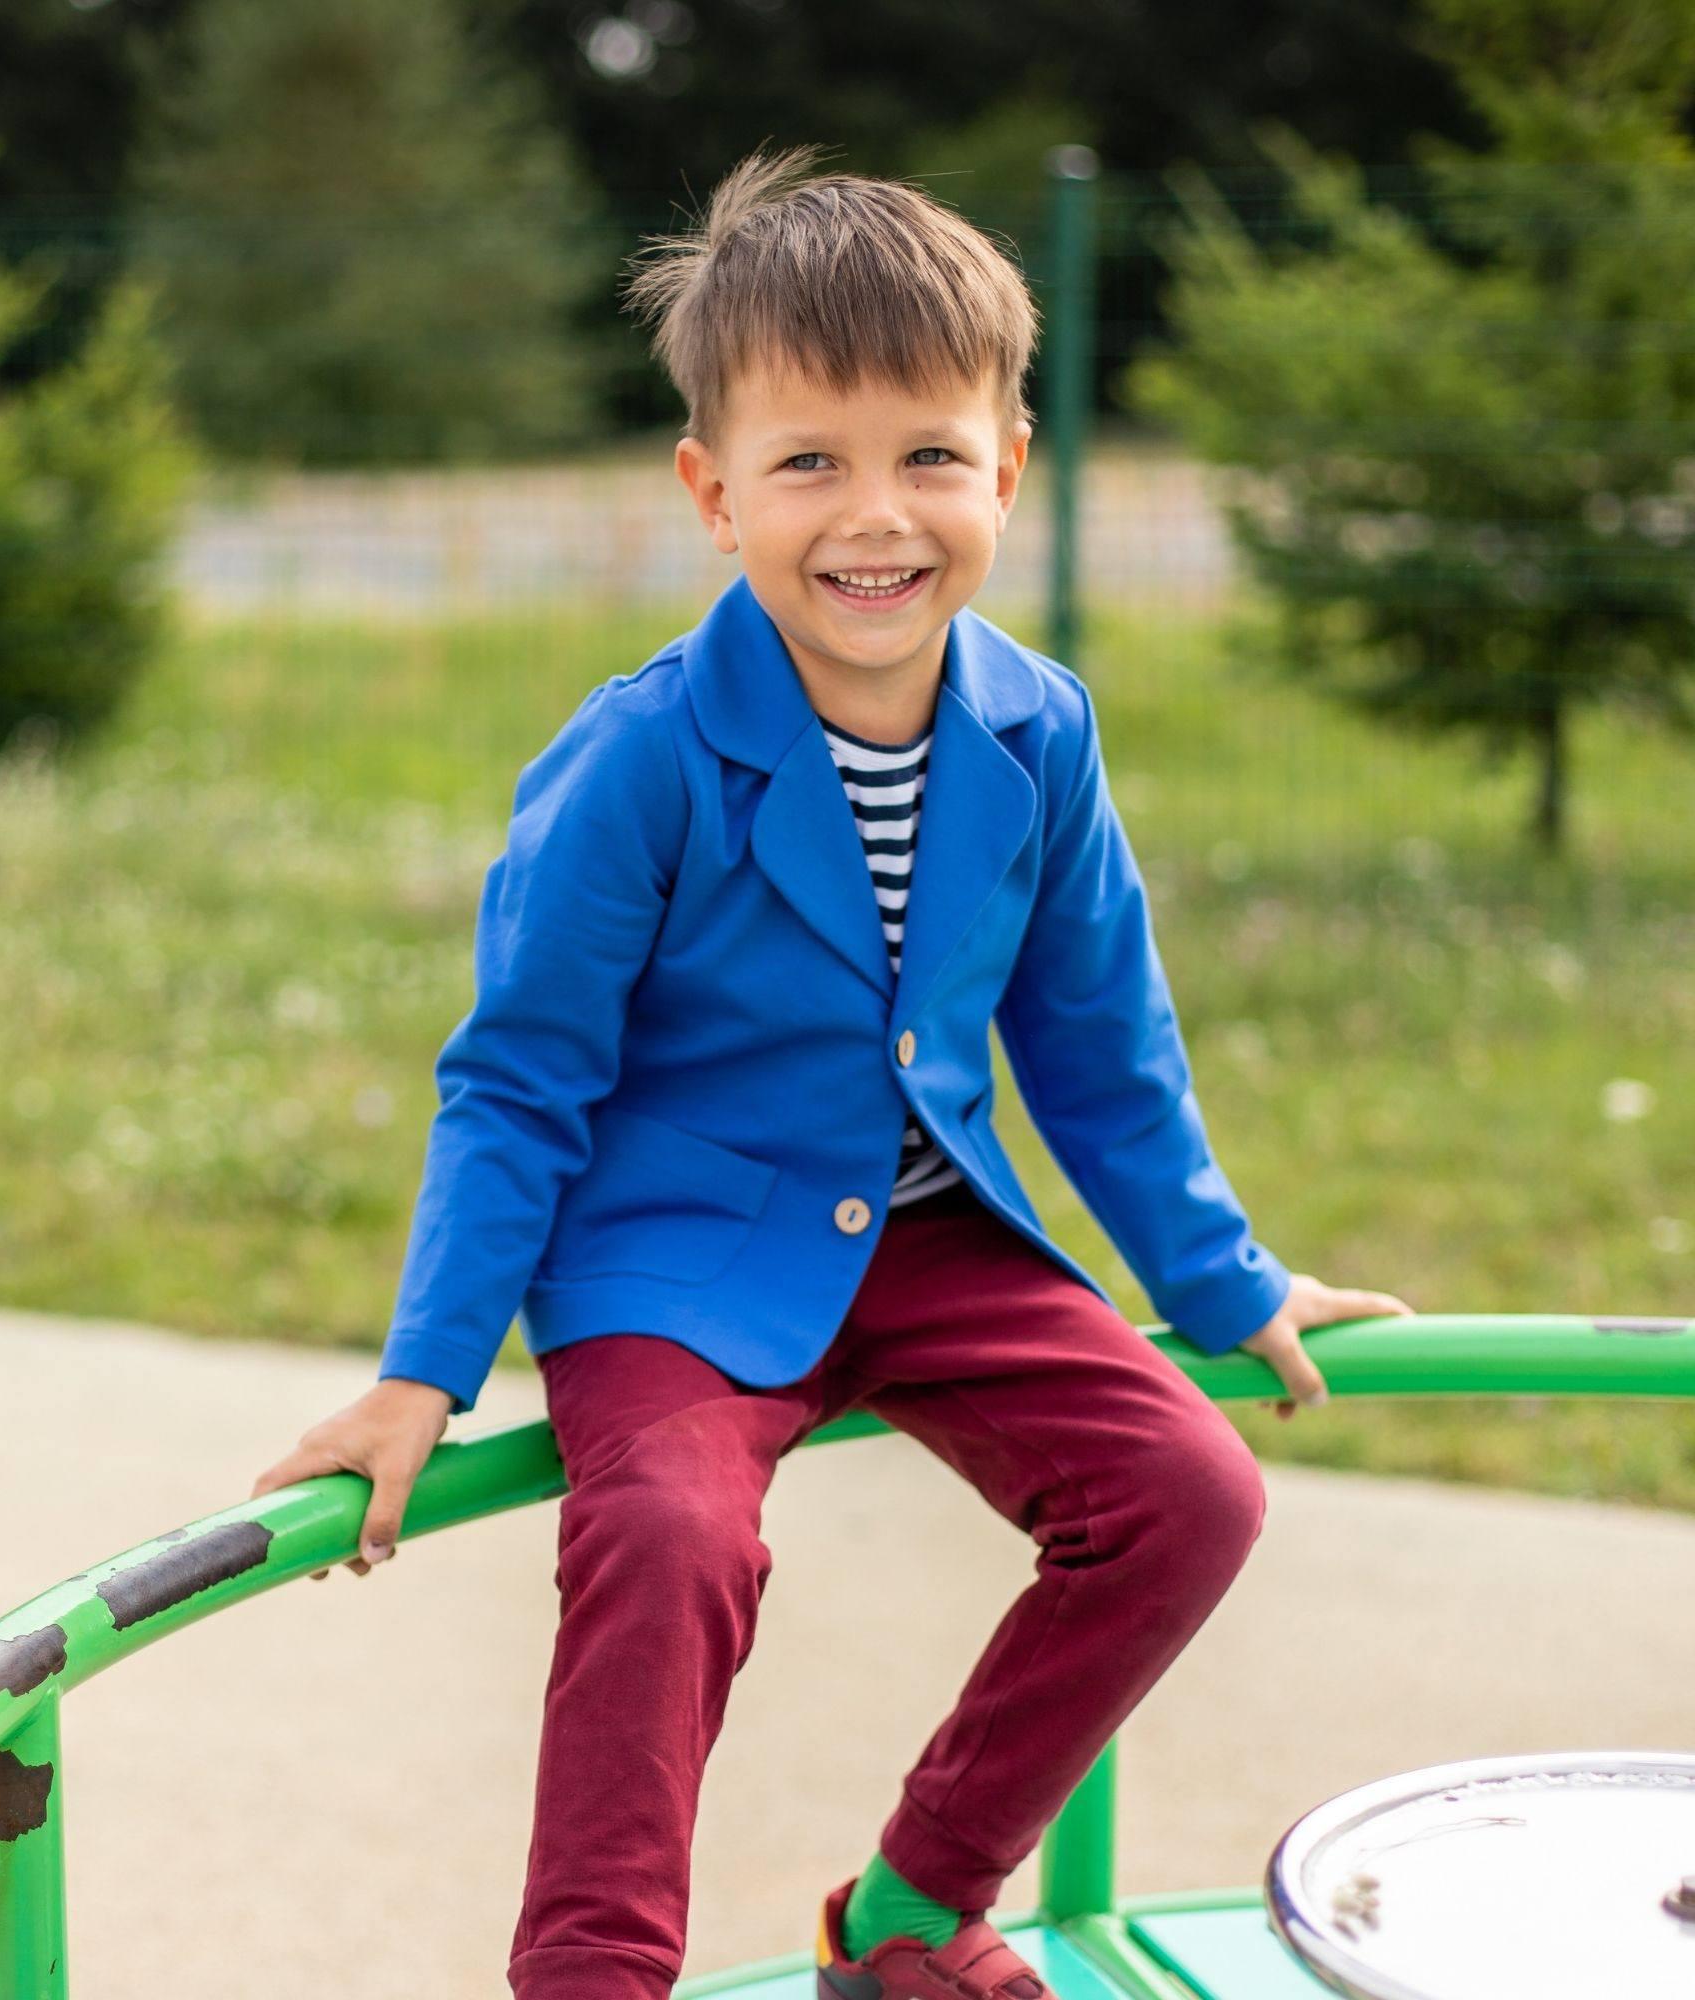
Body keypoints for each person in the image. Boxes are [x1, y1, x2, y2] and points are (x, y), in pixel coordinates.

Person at [250, 143, 1414, 2000]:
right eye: (810, 464)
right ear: (715, 493)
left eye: (929, 457)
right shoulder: (638, 759)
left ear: (1011, 467)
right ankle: (591, 1979)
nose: (875, 518)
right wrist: (423, 1373)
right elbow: (519, 1078)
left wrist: (1219, 1279)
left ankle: (914, 1912)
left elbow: (1098, 1036)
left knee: (1190, 1493)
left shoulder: (1039, 732)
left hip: (935, 1235)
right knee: (670, 1534)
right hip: (677, 1256)